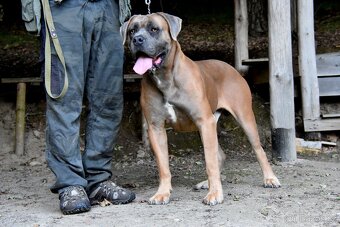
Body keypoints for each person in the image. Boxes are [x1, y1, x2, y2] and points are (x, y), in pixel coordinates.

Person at [41, 0, 135, 215]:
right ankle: (70, 183)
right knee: (65, 96)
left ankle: (98, 179)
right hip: (63, 7)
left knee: (108, 97)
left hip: (109, 6)